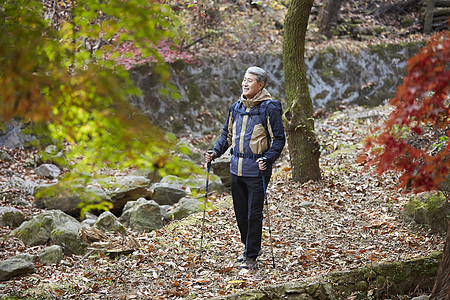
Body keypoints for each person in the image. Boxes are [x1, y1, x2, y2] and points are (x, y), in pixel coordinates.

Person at [205, 66, 286, 269]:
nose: (245, 83)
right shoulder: (236, 108)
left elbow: (278, 140)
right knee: (240, 213)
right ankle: (251, 247)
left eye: (250, 80)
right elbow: (226, 136)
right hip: (236, 168)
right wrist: (215, 152)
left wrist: (267, 158)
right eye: (244, 79)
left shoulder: (270, 108)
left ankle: (250, 256)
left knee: (253, 213)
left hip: (257, 170)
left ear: (261, 84)